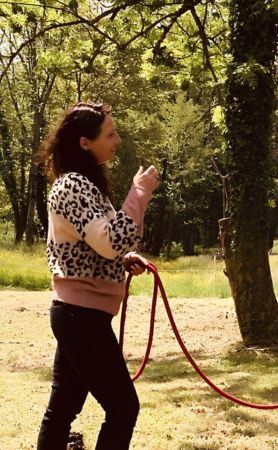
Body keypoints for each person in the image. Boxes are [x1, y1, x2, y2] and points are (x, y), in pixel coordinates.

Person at [36, 102, 159, 449]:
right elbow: (110, 240)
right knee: (123, 408)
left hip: (80, 315)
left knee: (62, 409)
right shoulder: (72, 187)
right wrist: (139, 192)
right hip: (81, 319)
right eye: (110, 134)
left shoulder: (83, 185)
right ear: (84, 142)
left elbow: (96, 245)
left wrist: (122, 260)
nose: (117, 140)